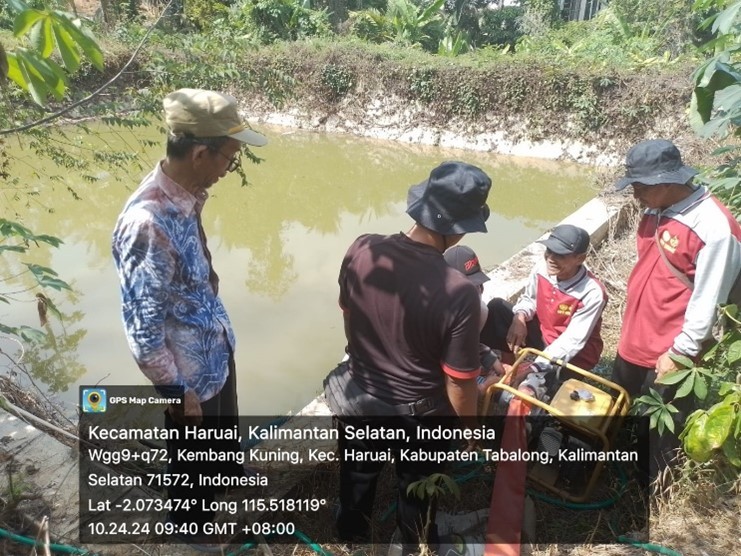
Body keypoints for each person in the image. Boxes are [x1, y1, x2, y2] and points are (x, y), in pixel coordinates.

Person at [112, 88, 267, 539]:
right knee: (192, 461)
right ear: (201, 153)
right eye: (230, 158)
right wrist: (178, 392)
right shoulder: (148, 223)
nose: (229, 169)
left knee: (222, 436)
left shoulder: (185, 194)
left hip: (212, 348)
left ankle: (228, 475)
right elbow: (143, 332)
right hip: (185, 374)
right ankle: (190, 529)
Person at [330, 161, 492, 551]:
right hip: (420, 415)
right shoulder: (459, 292)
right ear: (461, 227)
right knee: (419, 488)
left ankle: (350, 537)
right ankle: (415, 542)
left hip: (358, 395)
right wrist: (468, 429)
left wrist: (363, 364)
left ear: (420, 205)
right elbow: (458, 379)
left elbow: (350, 319)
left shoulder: (362, 248)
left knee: (357, 476)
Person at [612, 139, 741, 475]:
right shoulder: (655, 209)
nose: (634, 193)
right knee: (623, 412)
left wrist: (680, 352)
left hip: (669, 351)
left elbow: (708, 298)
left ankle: (653, 503)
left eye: (640, 186)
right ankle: (618, 478)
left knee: (660, 434)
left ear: (666, 183)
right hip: (633, 339)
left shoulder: (715, 228)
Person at [480, 224, 608, 372]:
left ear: (580, 259)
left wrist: (535, 367)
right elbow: (529, 299)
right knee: (497, 308)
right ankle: (508, 365)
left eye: (560, 255)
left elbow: (572, 341)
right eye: (549, 251)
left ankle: (538, 373)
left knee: (532, 388)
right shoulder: (542, 268)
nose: (551, 259)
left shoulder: (592, 292)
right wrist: (519, 316)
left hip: (574, 355)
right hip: (543, 335)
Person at [443, 245, 506, 391]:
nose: (475, 293)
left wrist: (489, 357)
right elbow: (453, 387)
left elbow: (465, 340)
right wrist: (483, 387)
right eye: (466, 289)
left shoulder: (479, 310)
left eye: (478, 286)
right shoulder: (434, 318)